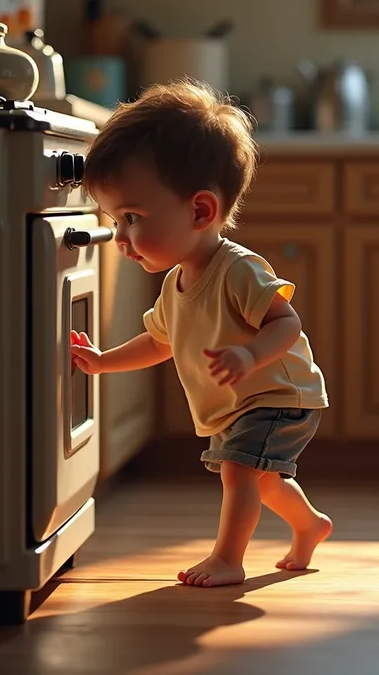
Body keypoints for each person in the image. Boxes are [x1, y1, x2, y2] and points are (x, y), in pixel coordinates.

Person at [71, 79, 332, 588]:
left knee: (239, 472)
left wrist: (248, 356)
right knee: (265, 480)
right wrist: (103, 361)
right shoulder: (175, 283)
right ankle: (310, 525)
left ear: (200, 211)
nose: (120, 238)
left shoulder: (237, 270)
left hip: (280, 393)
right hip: (244, 401)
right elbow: (159, 342)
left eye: (131, 218)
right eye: (114, 220)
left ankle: (228, 560)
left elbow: (286, 322)